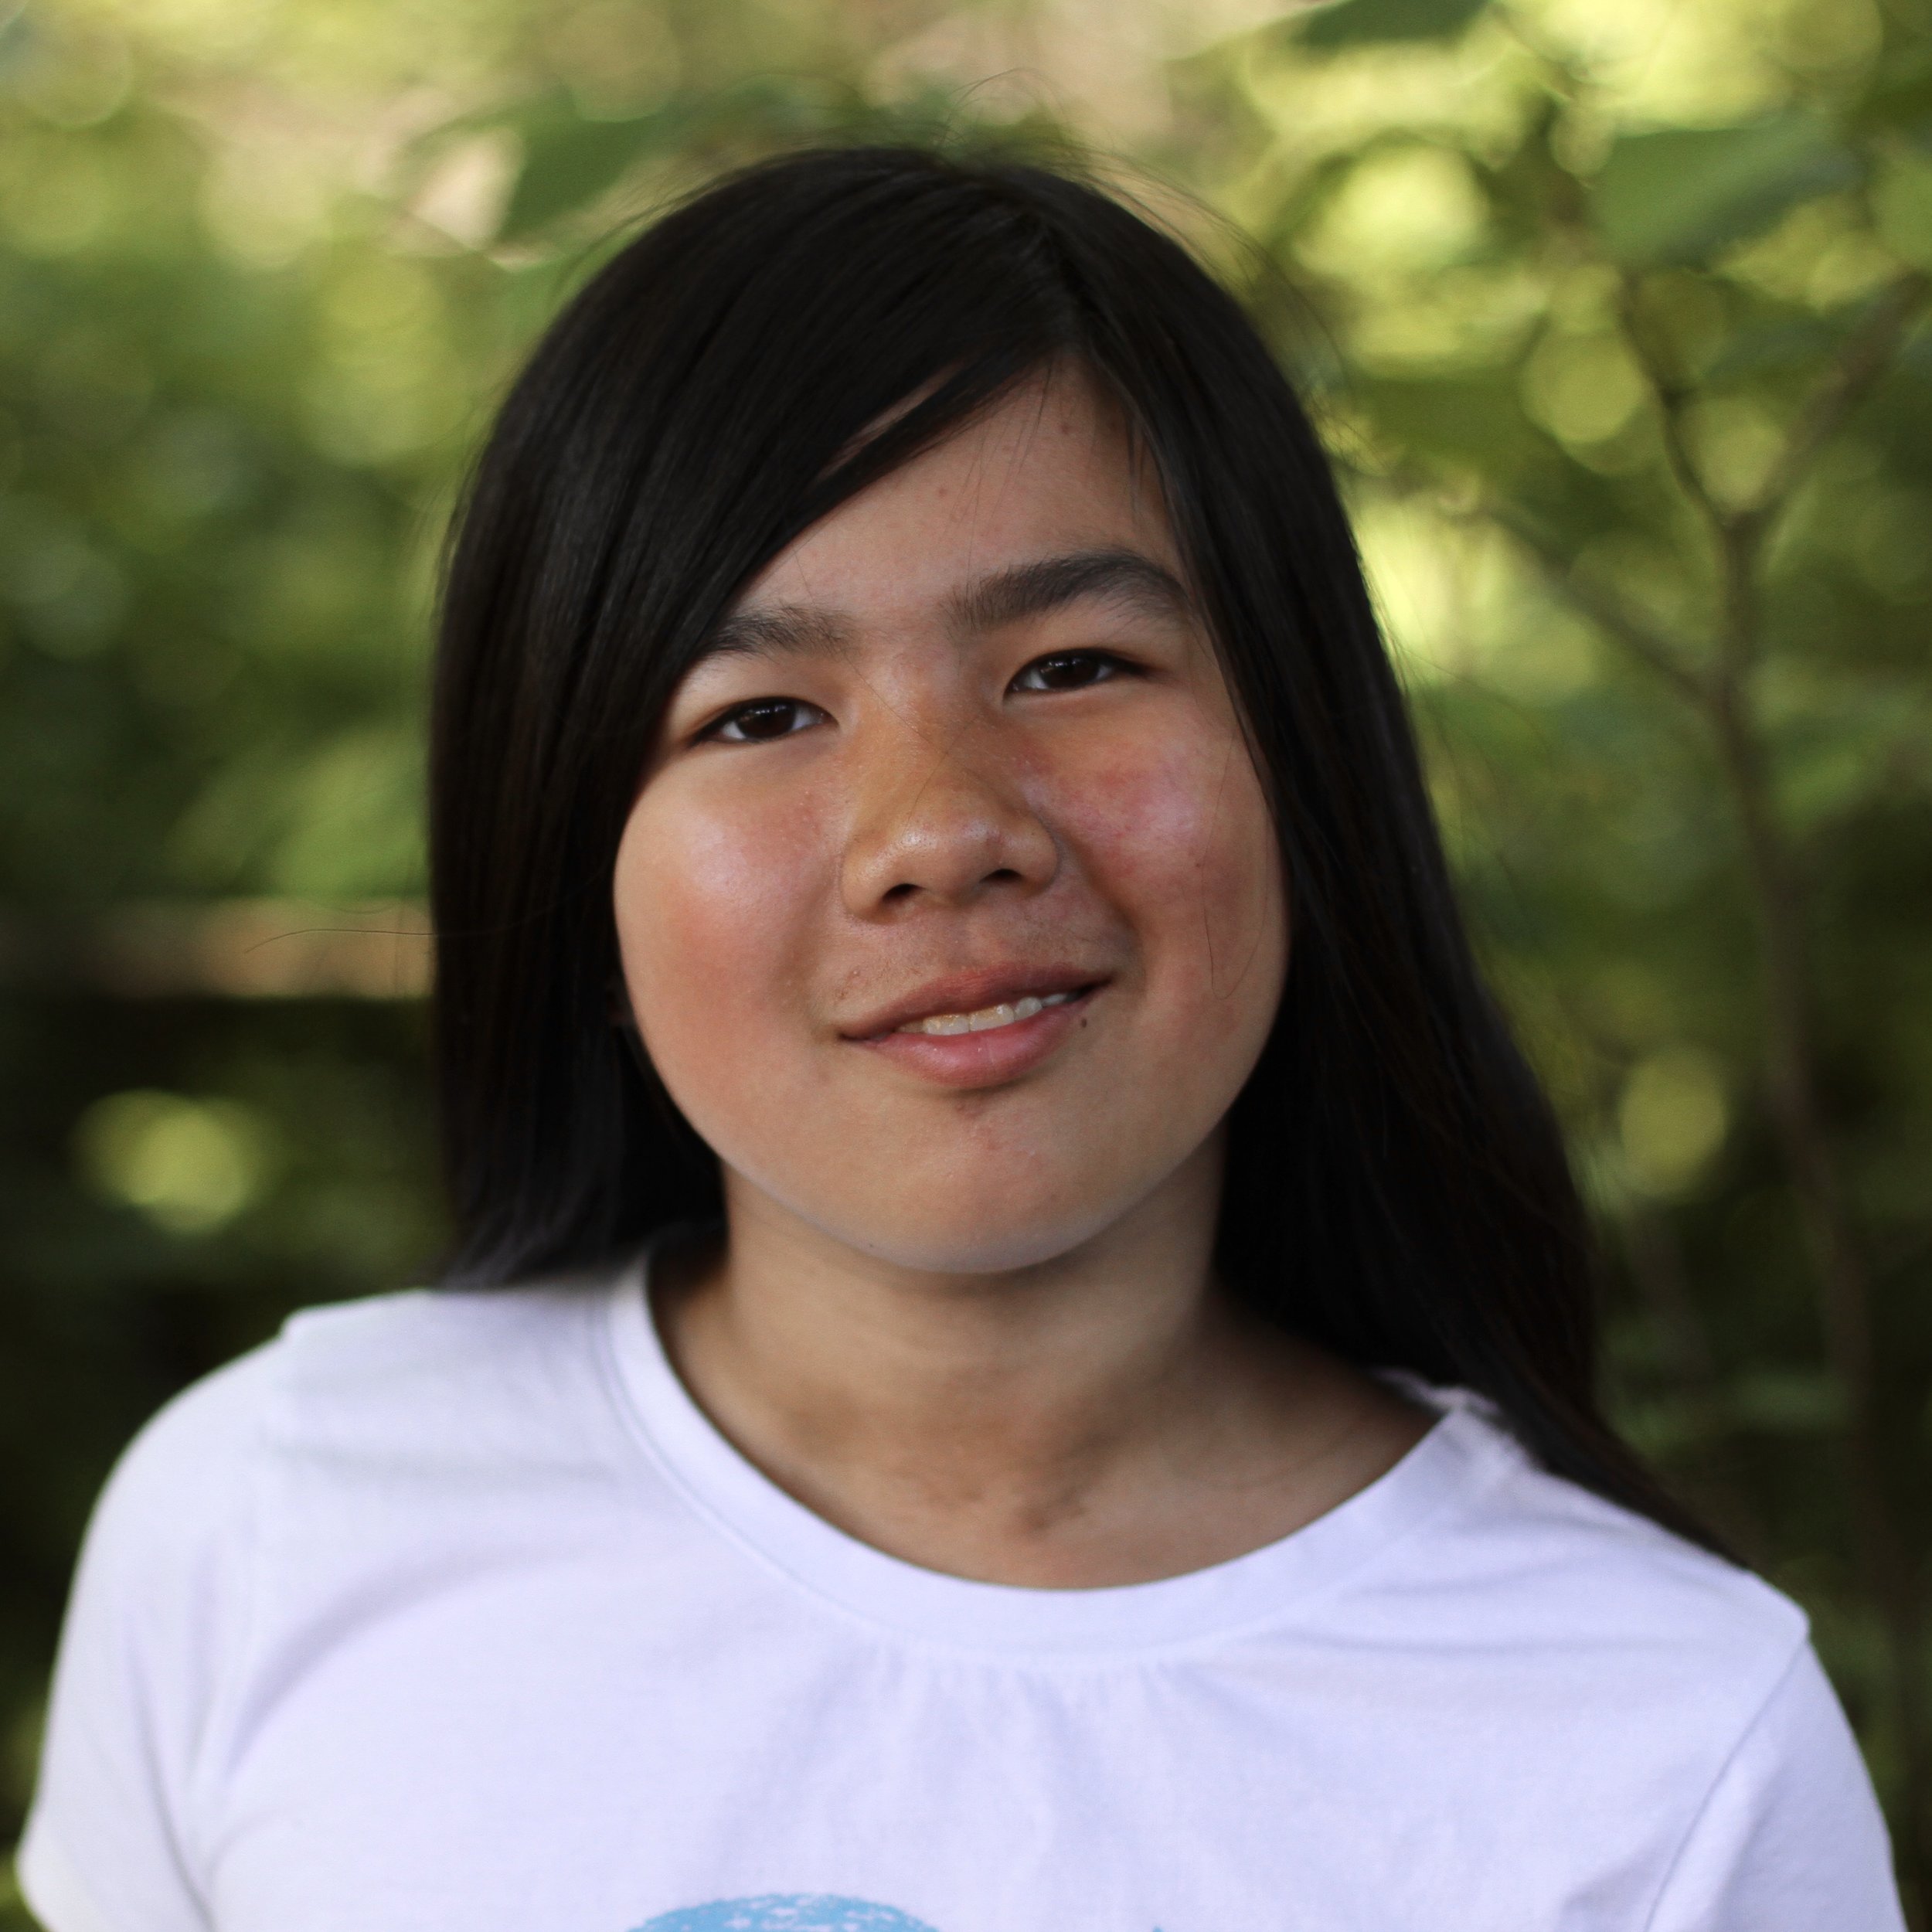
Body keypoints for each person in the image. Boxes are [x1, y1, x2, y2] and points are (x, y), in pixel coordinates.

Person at [18, 142, 1905, 1932]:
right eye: (755, 713)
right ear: (570, 860)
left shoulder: (1665, 1746)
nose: (939, 830)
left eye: (1070, 667)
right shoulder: (269, 1522)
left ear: (1305, 766)